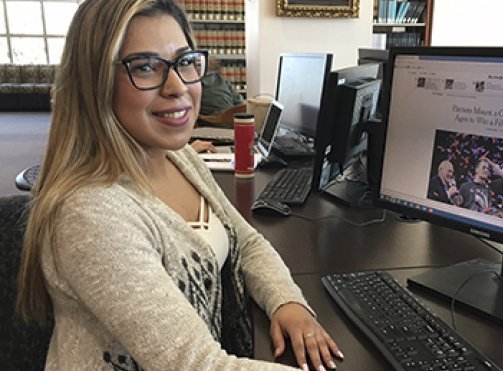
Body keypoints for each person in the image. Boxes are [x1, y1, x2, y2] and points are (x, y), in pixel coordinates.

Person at [15, 1, 342, 370]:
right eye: (144, 67)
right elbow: (197, 365)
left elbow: (246, 241)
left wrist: (288, 302)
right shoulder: (91, 211)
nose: (178, 87)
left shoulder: (178, 157)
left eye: (185, 61)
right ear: (95, 83)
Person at [198, 58, 246, 126]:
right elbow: (239, 102)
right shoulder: (223, 81)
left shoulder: (195, 84)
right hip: (231, 123)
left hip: (208, 124)